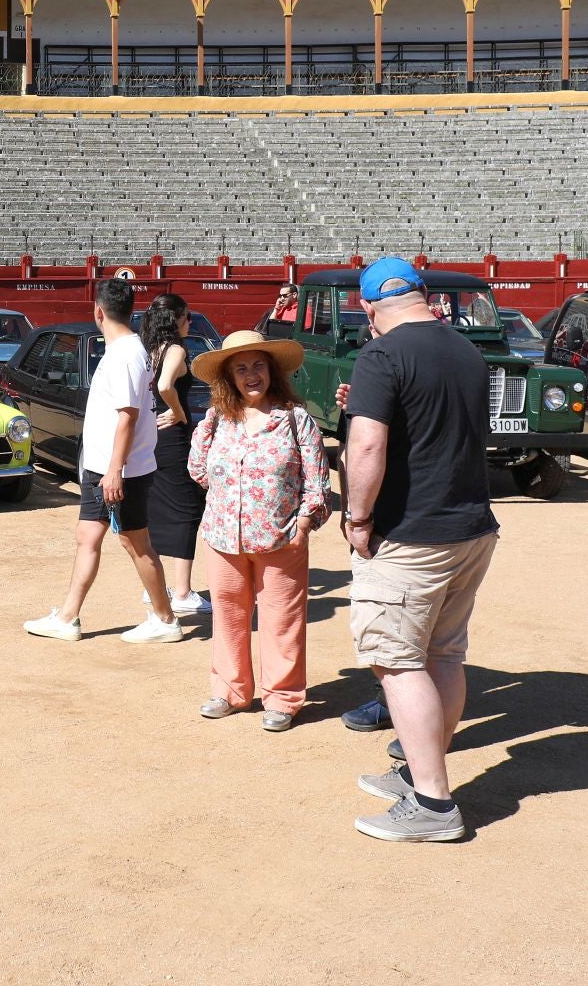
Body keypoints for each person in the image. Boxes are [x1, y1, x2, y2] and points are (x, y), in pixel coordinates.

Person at [342, 256, 499, 844]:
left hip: (411, 535)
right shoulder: (464, 349)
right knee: (444, 655)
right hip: (470, 529)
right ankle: (419, 773)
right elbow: (435, 425)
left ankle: (434, 805)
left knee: (397, 660)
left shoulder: (380, 355)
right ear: (426, 294)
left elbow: (367, 447)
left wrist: (358, 518)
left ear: (367, 306)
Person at [24, 278, 181, 644]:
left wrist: (114, 472)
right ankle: (68, 617)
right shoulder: (126, 350)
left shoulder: (124, 354)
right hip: (108, 467)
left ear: (98, 312)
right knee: (88, 536)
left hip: (119, 470)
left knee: (135, 543)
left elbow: (127, 416)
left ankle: (166, 618)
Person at [187, 331, 330, 731]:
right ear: (229, 377)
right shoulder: (217, 418)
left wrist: (303, 523)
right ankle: (229, 691)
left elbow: (317, 480)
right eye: (241, 368)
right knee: (229, 616)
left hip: (281, 537)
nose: (252, 375)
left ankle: (282, 698)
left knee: (281, 619)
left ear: (272, 371)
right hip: (221, 536)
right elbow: (197, 470)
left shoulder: (294, 418)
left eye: (258, 366)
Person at [139, 293, 209, 614]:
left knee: (157, 506)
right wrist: (179, 412)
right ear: (176, 319)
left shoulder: (149, 350)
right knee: (187, 509)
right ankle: (182, 593)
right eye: (188, 316)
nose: (191, 322)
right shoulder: (177, 349)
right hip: (173, 438)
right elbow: (167, 385)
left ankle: (154, 585)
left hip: (152, 436)